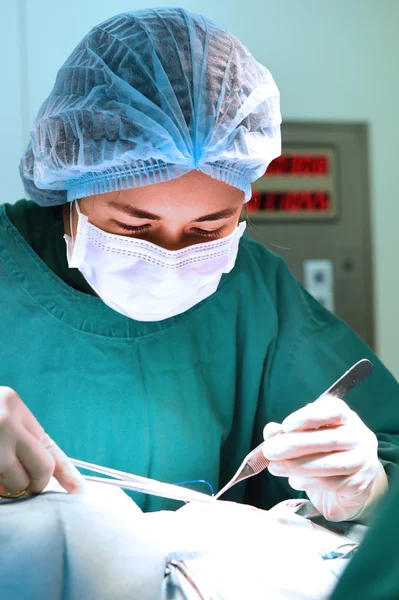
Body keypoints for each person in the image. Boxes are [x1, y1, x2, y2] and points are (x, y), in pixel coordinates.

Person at [0, 7, 398, 521]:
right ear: (68, 189)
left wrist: (371, 484)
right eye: (135, 227)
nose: (169, 260)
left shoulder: (255, 293)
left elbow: (387, 444)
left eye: (208, 229)